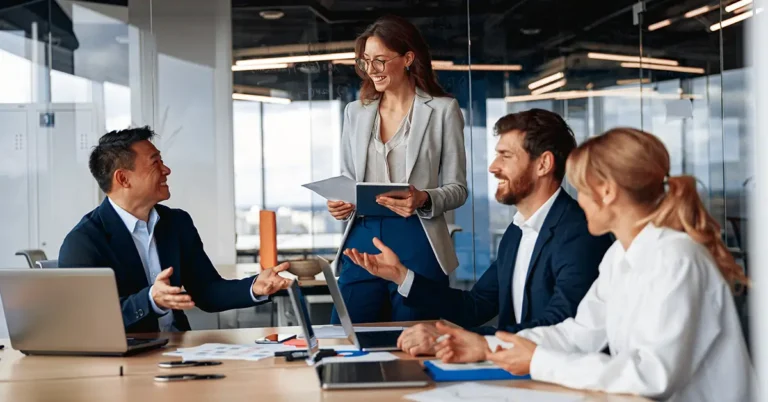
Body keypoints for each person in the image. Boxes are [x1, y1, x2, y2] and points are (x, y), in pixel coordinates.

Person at [433, 128, 752, 402]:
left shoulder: (676, 258)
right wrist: (488, 347)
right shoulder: (620, 256)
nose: (578, 201)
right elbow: (578, 334)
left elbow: (652, 375)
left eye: (582, 190)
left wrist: (538, 361)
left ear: (608, 192)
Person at [345, 109, 612, 356]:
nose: (493, 166)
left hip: (553, 375)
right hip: (513, 368)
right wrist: (401, 275)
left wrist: (457, 340)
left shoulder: (580, 233)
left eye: (506, 156)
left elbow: (559, 325)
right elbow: (474, 306)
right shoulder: (518, 231)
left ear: (543, 164)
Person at [59, 127, 292, 333]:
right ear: (123, 178)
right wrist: (150, 300)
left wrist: (254, 287)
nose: (166, 170)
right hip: (126, 360)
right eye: (155, 163)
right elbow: (86, 321)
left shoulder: (176, 223)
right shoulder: (83, 241)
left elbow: (207, 291)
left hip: (179, 350)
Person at [327, 15, 467, 324]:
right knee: (348, 336)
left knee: (415, 340)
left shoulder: (443, 110)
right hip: (362, 237)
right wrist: (341, 203)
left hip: (418, 237)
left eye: (380, 61)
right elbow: (349, 179)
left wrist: (424, 198)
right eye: (365, 62)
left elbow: (458, 189)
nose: (371, 70)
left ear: (408, 58)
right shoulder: (356, 112)